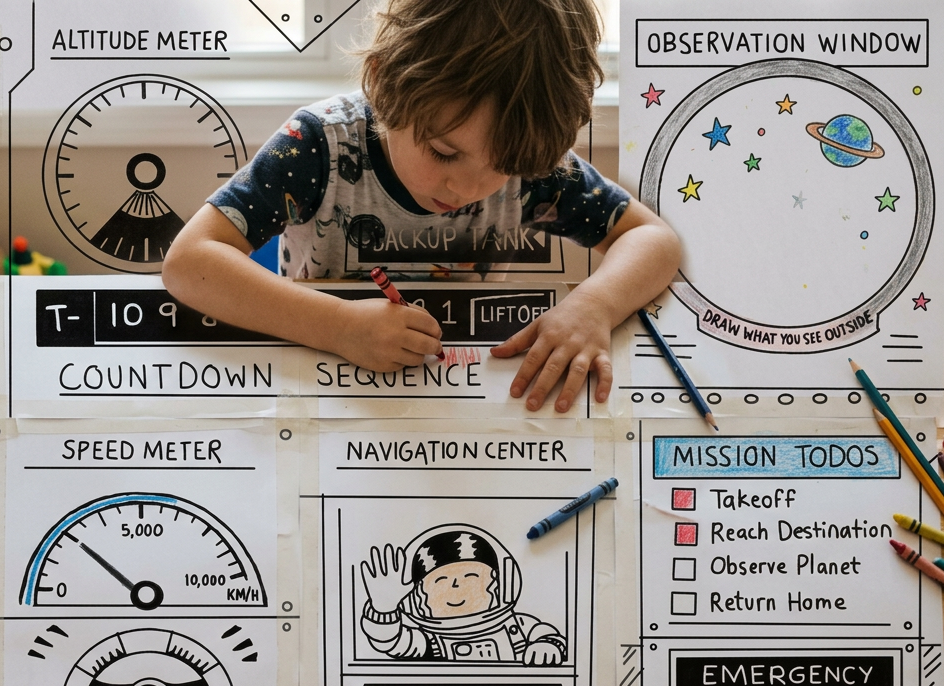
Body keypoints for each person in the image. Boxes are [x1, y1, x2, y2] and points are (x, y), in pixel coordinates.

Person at [163, 0, 680, 412]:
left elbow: (652, 240)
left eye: (500, 168)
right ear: (385, 81)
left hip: (456, 390)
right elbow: (189, 263)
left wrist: (593, 306)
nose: (468, 188)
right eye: (444, 152)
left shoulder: (528, 158)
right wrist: (338, 327)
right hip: (323, 378)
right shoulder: (318, 144)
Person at [359, 525, 566, 664]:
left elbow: (543, 631)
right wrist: (383, 608)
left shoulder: (516, 627)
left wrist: (546, 645)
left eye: (471, 576)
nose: (456, 585)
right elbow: (391, 642)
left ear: (494, 583)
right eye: (441, 580)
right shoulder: (429, 642)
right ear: (421, 594)